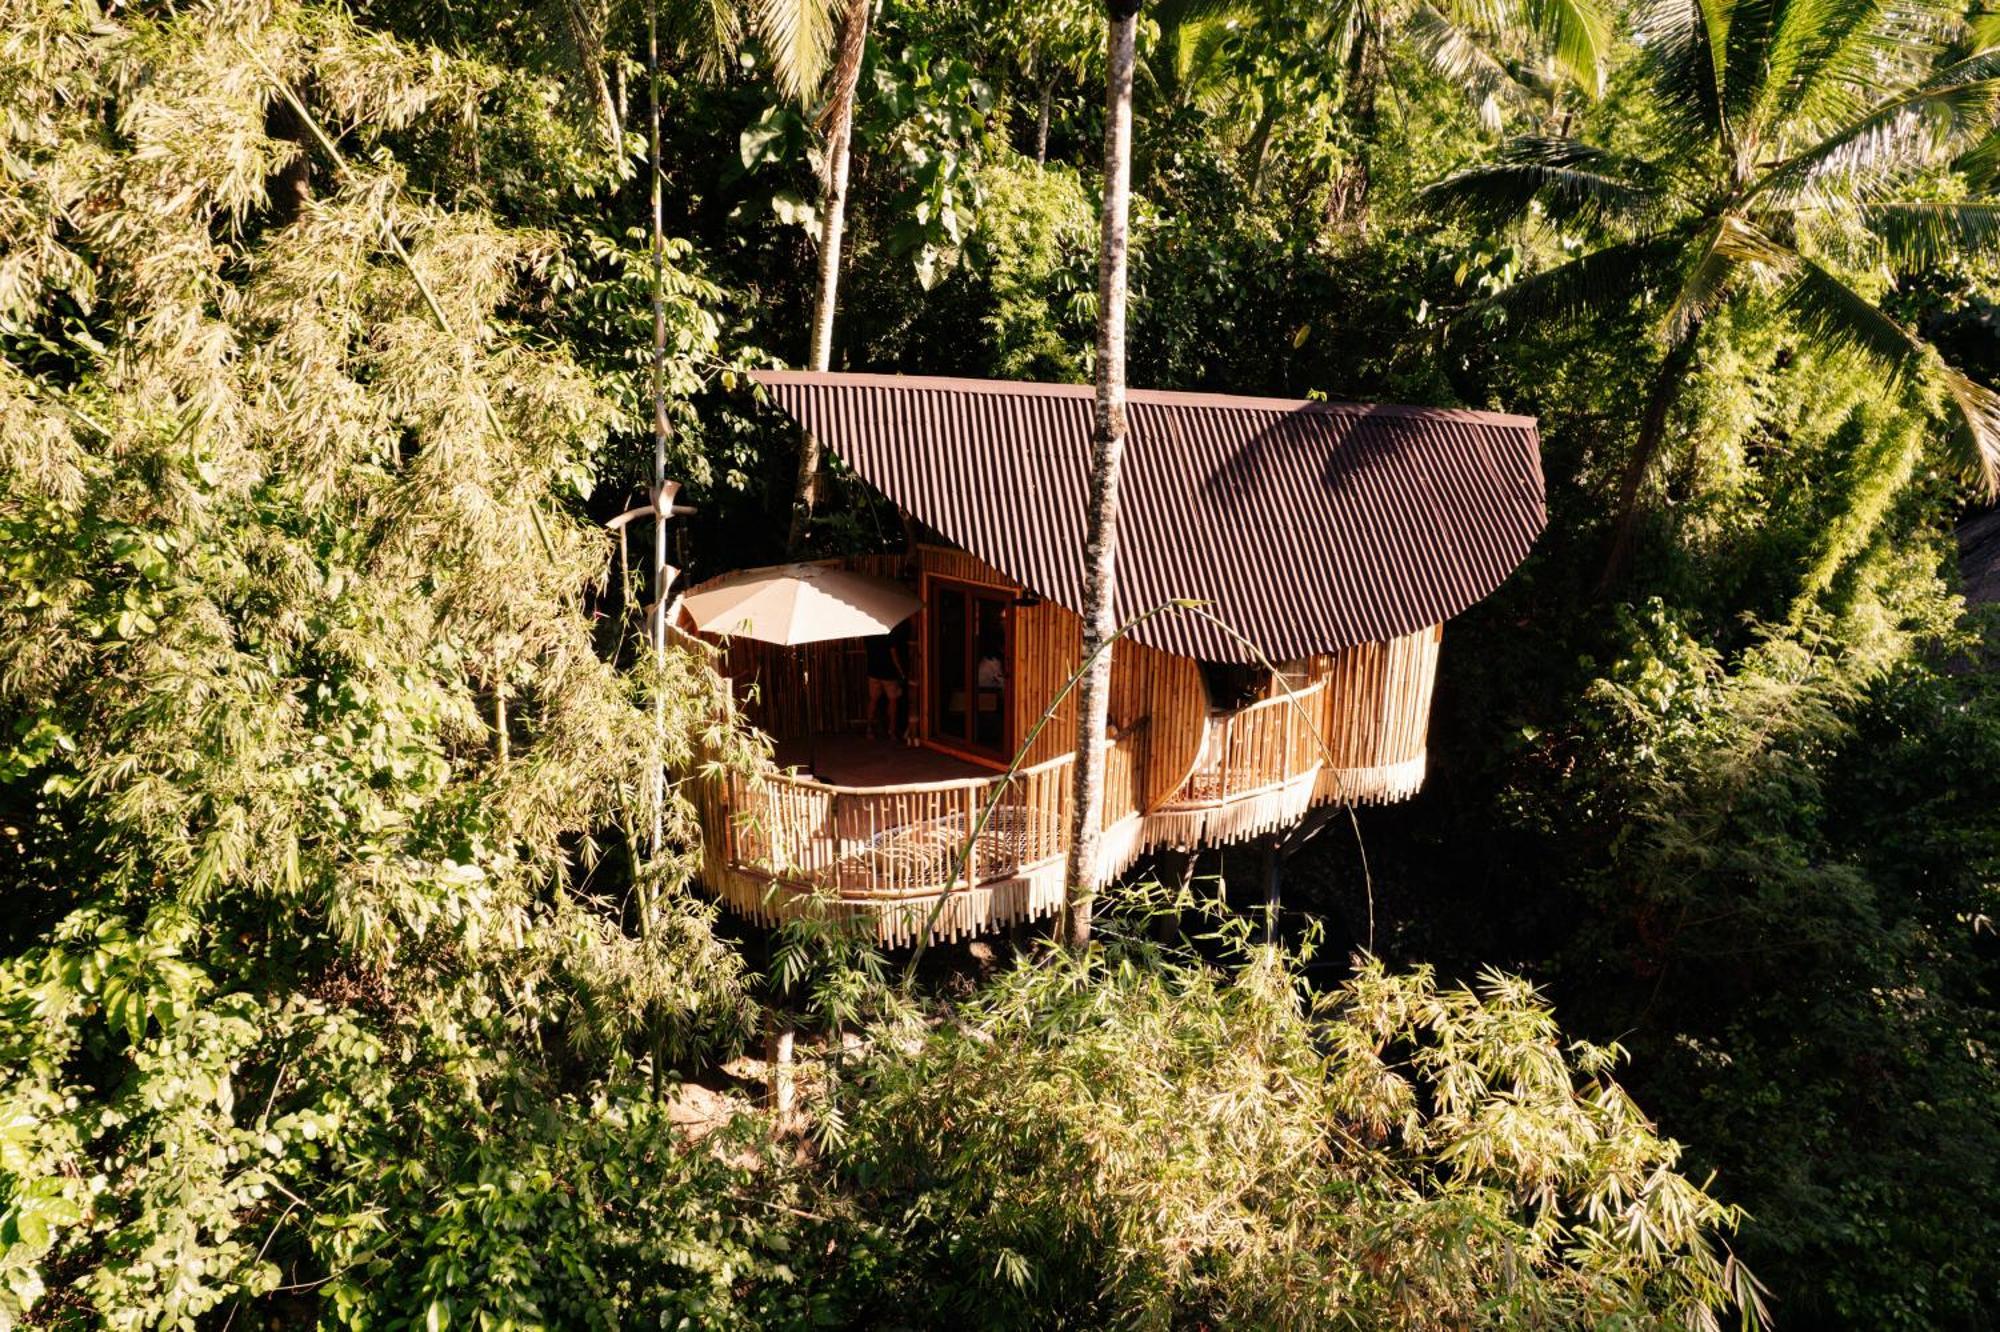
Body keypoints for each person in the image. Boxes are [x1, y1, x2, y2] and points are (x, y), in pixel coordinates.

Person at [865, 619, 909, 741]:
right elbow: (893, 654)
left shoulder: (869, 634)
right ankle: (892, 732)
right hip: (888, 672)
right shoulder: (889, 633)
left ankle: (869, 729)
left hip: (873, 671)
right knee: (893, 701)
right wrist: (901, 672)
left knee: (873, 700)